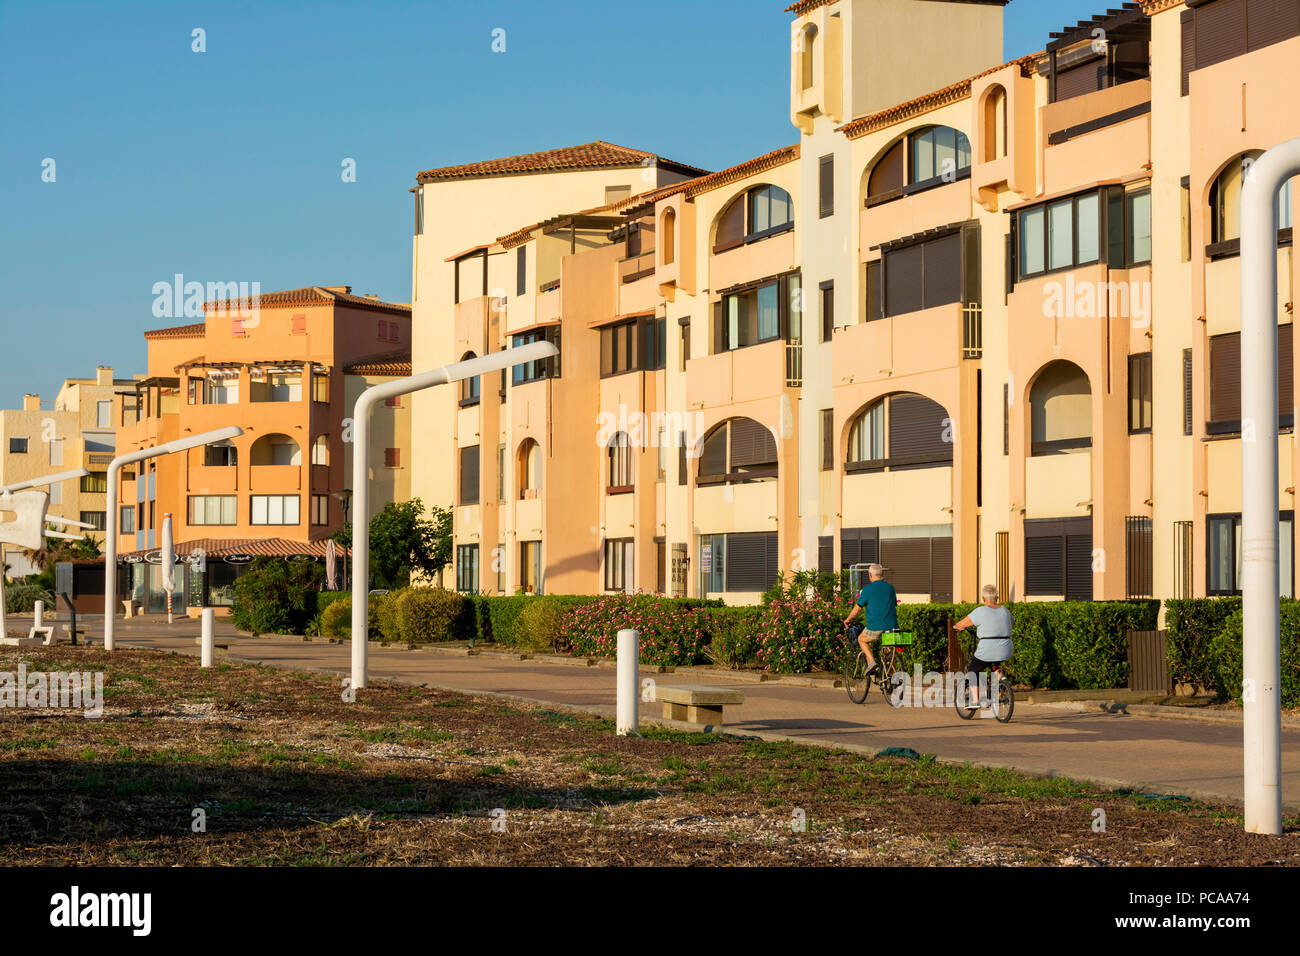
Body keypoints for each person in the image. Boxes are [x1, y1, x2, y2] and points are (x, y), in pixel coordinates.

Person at [953, 584, 1014, 707]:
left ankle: (975, 700)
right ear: (997, 598)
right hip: (1006, 648)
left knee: (972, 670)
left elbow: (962, 623)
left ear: (983, 599)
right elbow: (1011, 623)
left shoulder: (980, 611)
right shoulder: (1005, 610)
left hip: (987, 649)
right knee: (995, 664)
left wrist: (956, 627)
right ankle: (1001, 680)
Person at [843, 564, 898, 674]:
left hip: (876, 626)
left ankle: (872, 662)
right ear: (881, 574)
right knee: (889, 654)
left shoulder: (867, 590)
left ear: (870, 575)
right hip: (892, 626)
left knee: (861, 639)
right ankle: (893, 679)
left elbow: (857, 609)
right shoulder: (891, 588)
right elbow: (894, 605)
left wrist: (848, 619)